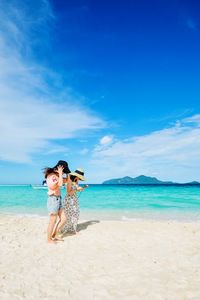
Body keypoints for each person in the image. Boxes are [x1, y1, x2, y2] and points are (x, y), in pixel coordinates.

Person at [44, 160, 71, 244]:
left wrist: (68, 175)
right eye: (64, 171)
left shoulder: (57, 175)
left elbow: (66, 181)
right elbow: (59, 184)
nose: (63, 173)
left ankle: (55, 235)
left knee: (64, 219)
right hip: (53, 200)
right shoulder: (51, 176)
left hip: (58, 199)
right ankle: (48, 239)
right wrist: (60, 173)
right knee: (53, 220)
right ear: (60, 168)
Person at [62, 168, 88, 235]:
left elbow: (77, 190)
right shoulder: (69, 180)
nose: (80, 178)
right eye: (80, 177)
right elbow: (69, 192)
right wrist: (76, 189)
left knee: (75, 214)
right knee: (70, 214)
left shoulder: (76, 180)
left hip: (74, 199)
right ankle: (72, 230)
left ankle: (73, 229)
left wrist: (83, 187)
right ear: (77, 175)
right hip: (69, 200)